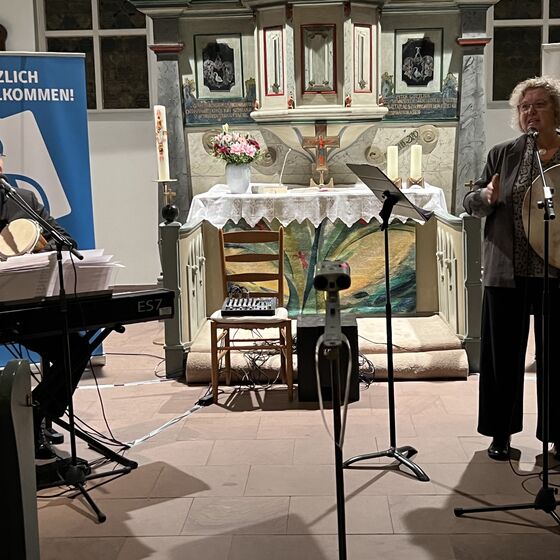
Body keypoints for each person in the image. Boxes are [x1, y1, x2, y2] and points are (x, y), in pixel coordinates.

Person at [464, 76, 560, 461]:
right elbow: (471, 202)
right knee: (502, 357)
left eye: (539, 105)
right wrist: (485, 196)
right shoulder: (502, 154)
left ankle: (558, 435)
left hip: (555, 272)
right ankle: (500, 432)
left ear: (556, 111)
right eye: (524, 107)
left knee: (557, 358)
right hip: (508, 270)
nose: (530, 112)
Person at [0, 152, 91, 459]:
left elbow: (67, 241)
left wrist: (37, 249)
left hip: (28, 306)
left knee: (75, 349)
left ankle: (36, 415)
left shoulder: (22, 199)